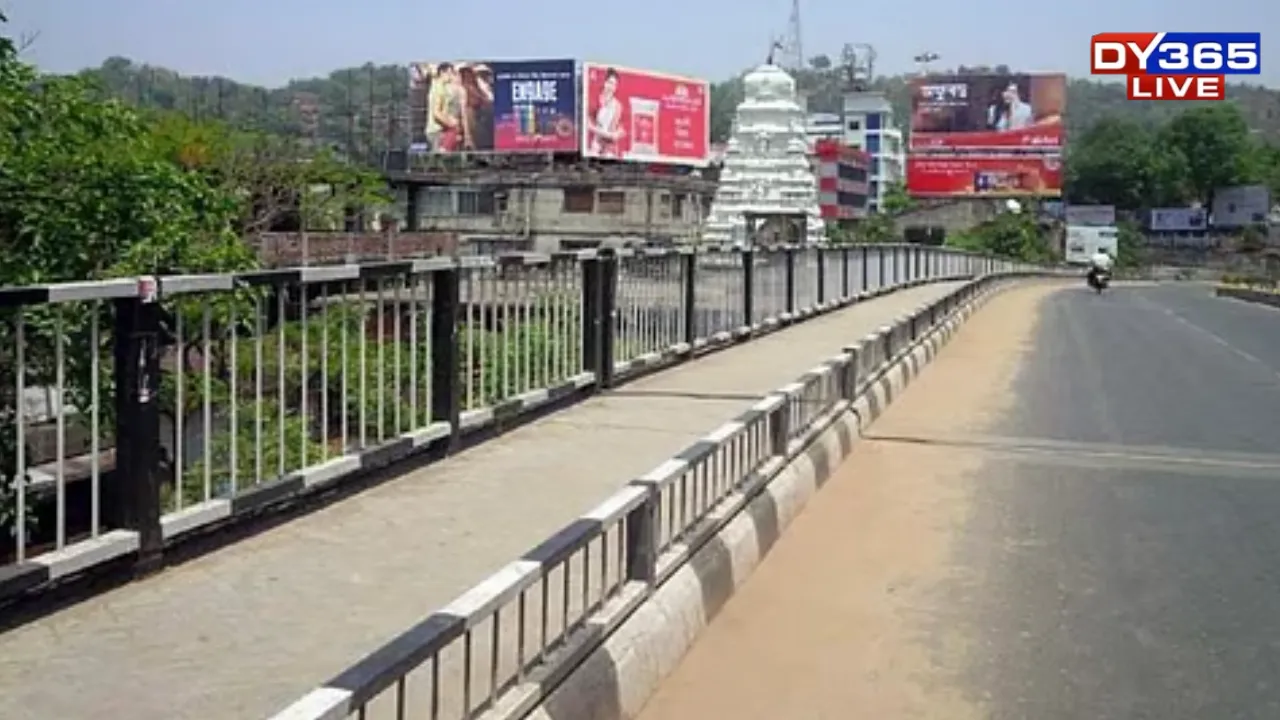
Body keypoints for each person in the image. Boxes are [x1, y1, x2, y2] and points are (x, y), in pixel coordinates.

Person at [588, 68, 625, 157]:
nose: (611, 87)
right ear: (604, 82)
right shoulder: (594, 100)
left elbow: (620, 130)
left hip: (609, 148)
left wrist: (615, 134)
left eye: (614, 84)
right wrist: (608, 134)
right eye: (609, 82)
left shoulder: (617, 106)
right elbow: (588, 125)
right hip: (595, 144)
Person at [426, 63, 462, 152]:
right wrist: (451, 123)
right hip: (436, 131)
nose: (450, 76)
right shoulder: (438, 88)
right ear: (442, 72)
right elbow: (436, 112)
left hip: (440, 130)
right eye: (449, 73)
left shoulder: (441, 87)